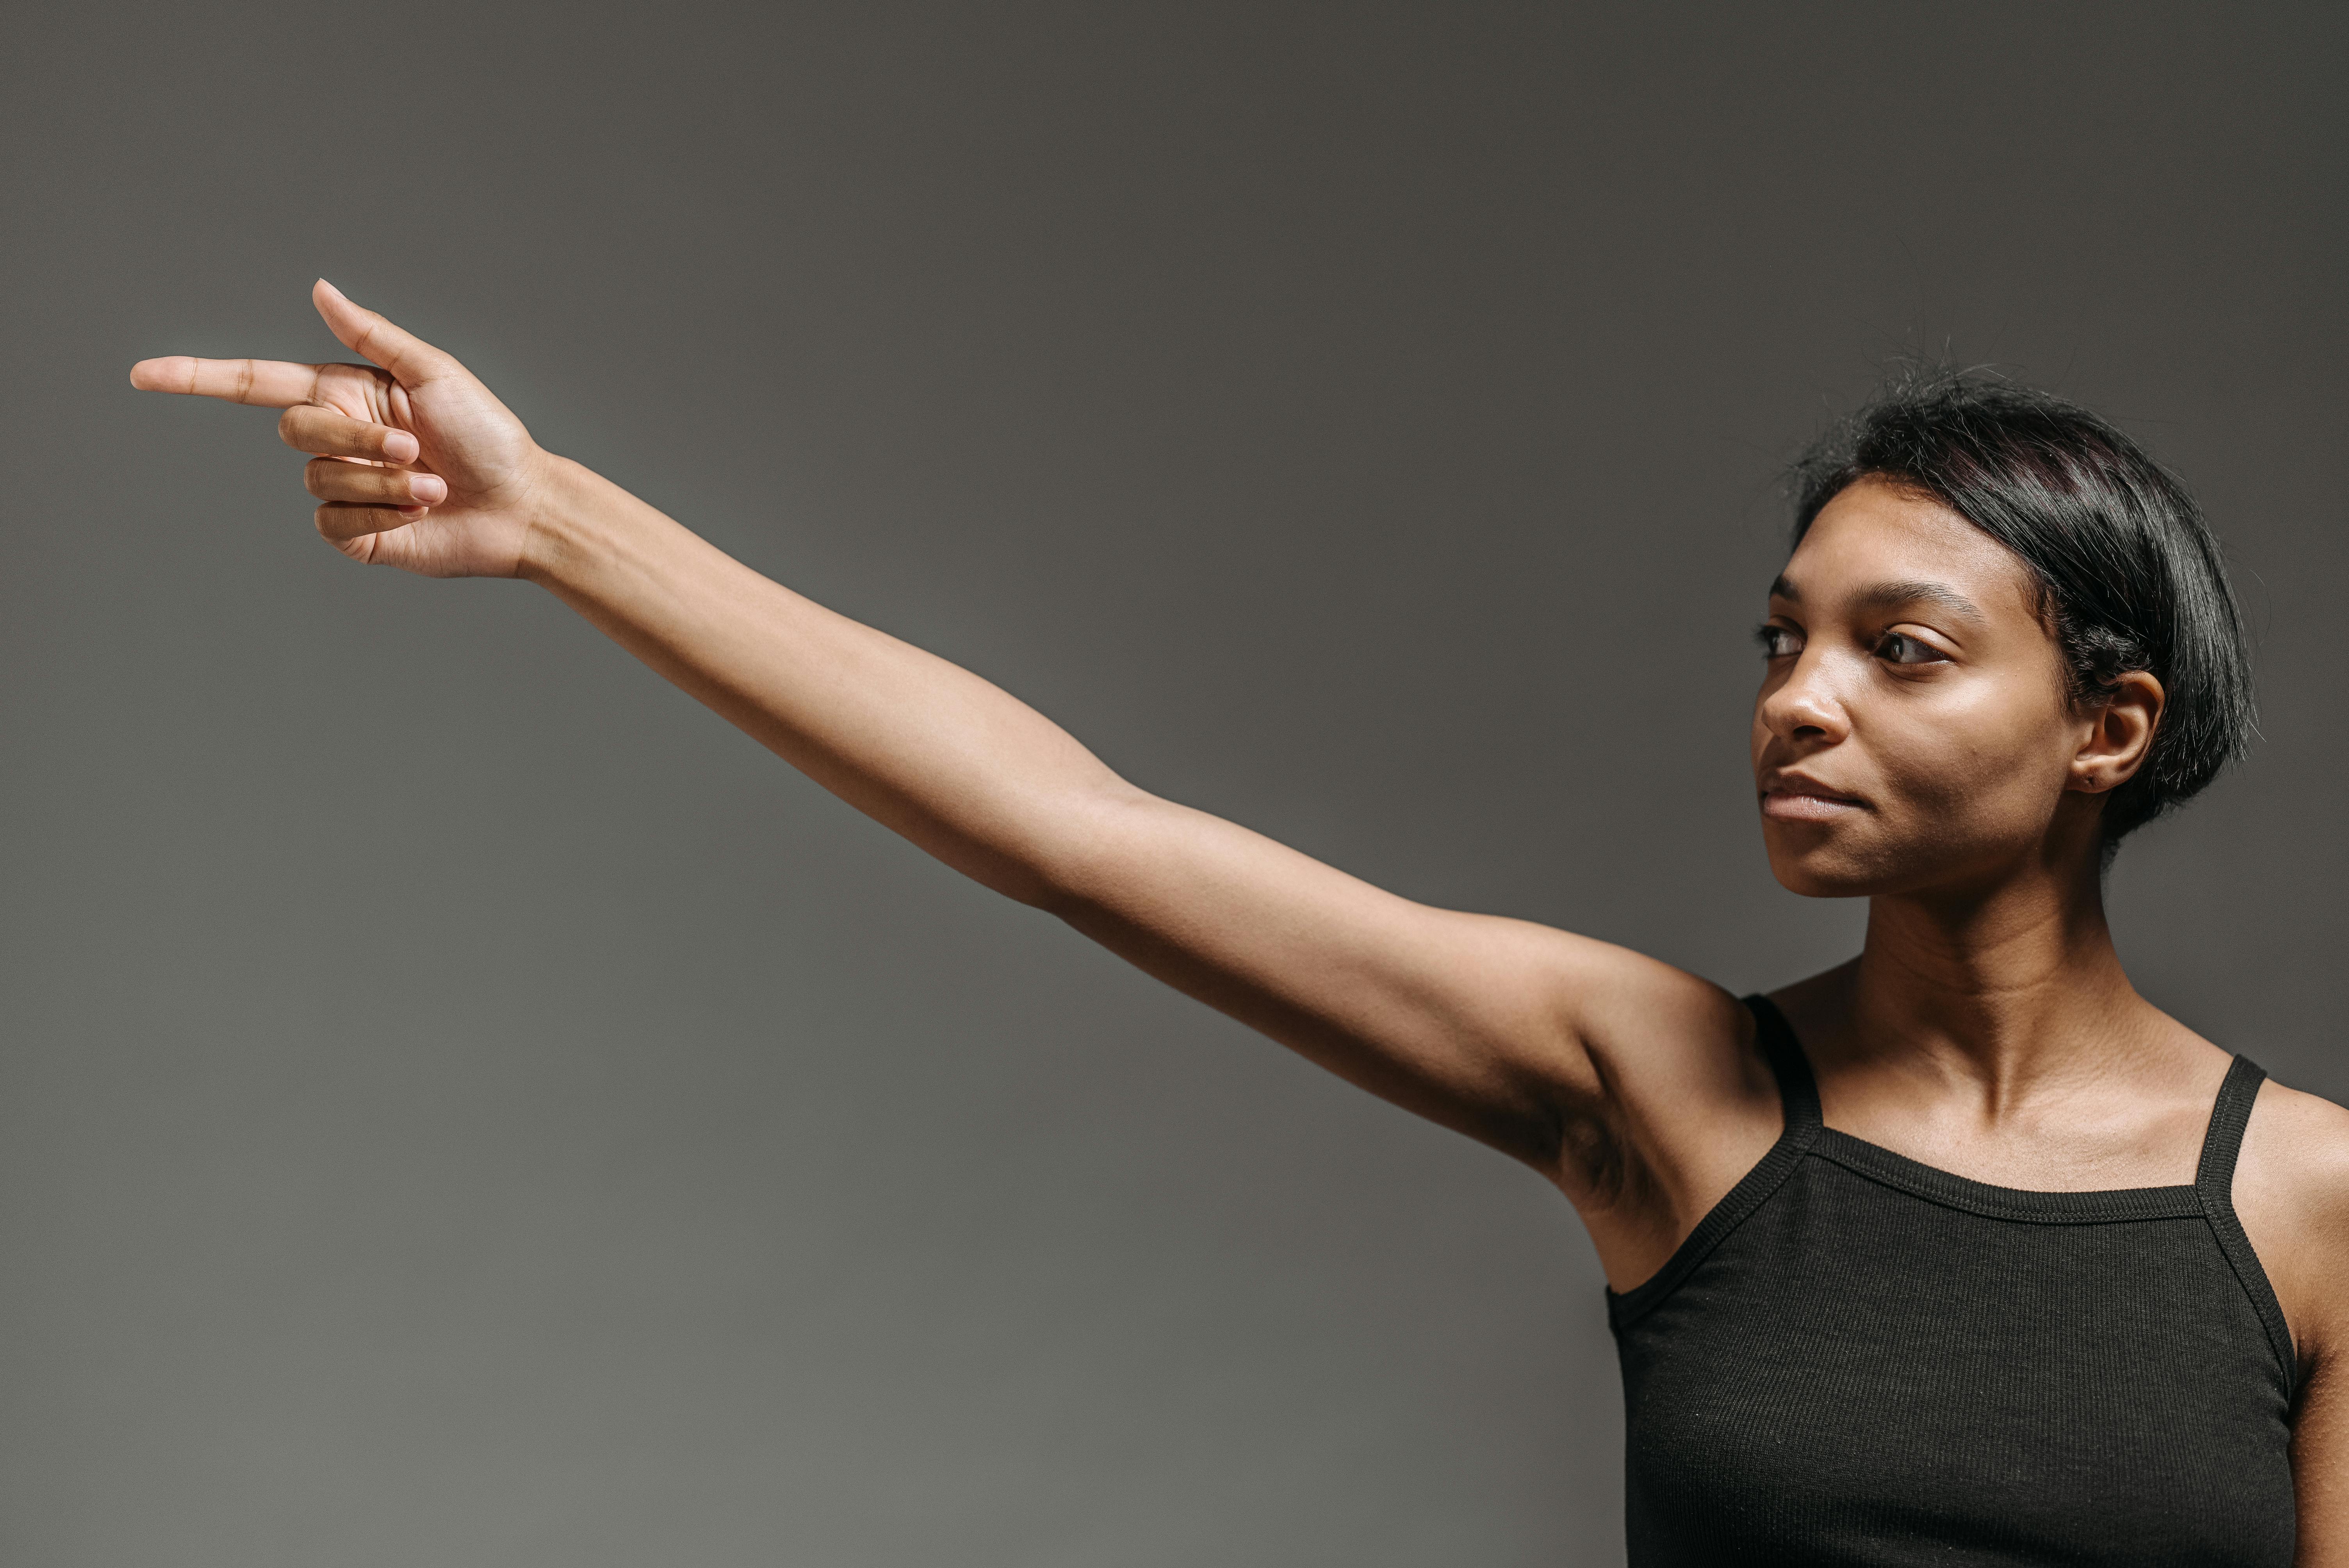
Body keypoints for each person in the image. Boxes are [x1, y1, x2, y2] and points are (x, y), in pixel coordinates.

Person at [133, 282, 2347, 1564]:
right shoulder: (1663, 1094)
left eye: (1904, 650)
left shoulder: (2317, 1205)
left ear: (2109, 725)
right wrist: (557, 524)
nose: (1796, 699)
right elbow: (1068, 827)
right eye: (1781, 639)